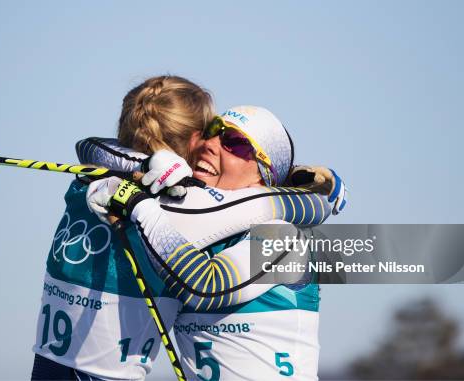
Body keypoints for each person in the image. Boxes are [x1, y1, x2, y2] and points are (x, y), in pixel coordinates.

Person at [32, 75, 345, 380]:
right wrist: (145, 166)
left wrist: (139, 206)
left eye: (234, 143)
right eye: (212, 131)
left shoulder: (283, 236)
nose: (210, 144)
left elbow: (206, 284)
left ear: (265, 173)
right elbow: (94, 148)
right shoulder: (189, 212)